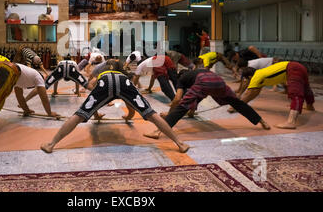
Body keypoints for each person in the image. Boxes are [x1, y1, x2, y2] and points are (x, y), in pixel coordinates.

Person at [40, 60, 191, 154]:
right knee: (151, 114)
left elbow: (91, 88)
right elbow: (130, 104)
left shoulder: (102, 72)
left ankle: (51, 144)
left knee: (79, 114)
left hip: (104, 82)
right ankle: (180, 143)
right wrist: (129, 115)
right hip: (124, 82)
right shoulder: (123, 76)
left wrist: (93, 111)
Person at [143, 69, 271, 140]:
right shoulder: (197, 72)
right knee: (237, 103)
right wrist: (192, 112)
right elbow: (197, 98)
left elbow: (177, 100)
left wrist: (169, 113)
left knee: (182, 107)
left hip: (204, 82)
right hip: (218, 80)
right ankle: (262, 121)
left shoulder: (182, 80)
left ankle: (158, 131)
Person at [239, 61, 315, 129]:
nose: (246, 82)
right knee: (305, 88)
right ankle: (310, 106)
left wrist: (237, 105)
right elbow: (254, 92)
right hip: (298, 67)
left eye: (246, 80)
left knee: (295, 94)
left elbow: (249, 92)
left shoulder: (256, 76)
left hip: (293, 68)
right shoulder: (261, 73)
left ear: (249, 77)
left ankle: (291, 122)